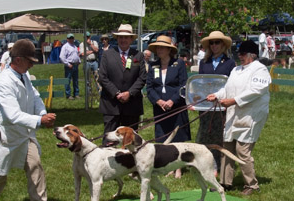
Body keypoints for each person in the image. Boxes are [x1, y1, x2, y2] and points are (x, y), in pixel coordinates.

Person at [0, 39, 56, 201]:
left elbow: (35, 96)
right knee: (1, 171)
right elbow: (12, 115)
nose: (32, 65)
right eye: (30, 61)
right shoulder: (5, 81)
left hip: (24, 131)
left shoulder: (24, 75)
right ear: (19, 59)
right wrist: (40, 121)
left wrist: (42, 112)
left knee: (35, 164)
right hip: (7, 133)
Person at [206, 39, 271, 195]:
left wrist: (234, 101)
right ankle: (225, 182)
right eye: (239, 54)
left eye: (243, 54)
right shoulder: (236, 70)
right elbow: (227, 88)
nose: (240, 56)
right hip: (234, 112)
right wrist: (217, 95)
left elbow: (256, 90)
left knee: (242, 150)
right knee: (227, 148)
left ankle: (251, 184)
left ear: (253, 55)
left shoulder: (260, 70)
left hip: (251, 114)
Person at [146, 35, 191, 178]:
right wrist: (158, 101)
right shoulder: (153, 65)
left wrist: (172, 100)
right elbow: (149, 87)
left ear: (169, 49)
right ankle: (167, 166)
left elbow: (184, 85)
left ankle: (178, 167)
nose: (159, 50)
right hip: (160, 107)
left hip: (176, 105)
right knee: (162, 136)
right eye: (157, 47)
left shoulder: (179, 64)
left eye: (162, 47)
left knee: (177, 136)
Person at [197, 31, 236, 177]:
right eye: (211, 43)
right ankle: (205, 164)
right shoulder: (204, 62)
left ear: (223, 45)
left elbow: (231, 85)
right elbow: (200, 83)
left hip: (221, 104)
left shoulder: (230, 63)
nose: (214, 46)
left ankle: (218, 166)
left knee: (219, 135)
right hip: (206, 104)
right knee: (205, 134)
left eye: (217, 42)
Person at [98, 24, 146, 139]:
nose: (123, 40)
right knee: (109, 140)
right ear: (117, 38)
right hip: (111, 104)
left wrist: (129, 93)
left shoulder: (138, 55)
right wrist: (116, 93)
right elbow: (102, 77)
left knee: (131, 141)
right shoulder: (107, 54)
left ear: (131, 39)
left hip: (132, 105)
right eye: (121, 37)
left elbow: (142, 77)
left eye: (126, 37)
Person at [60, 34, 80, 100]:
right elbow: (62, 57)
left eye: (72, 38)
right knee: (68, 80)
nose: (71, 39)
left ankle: (76, 94)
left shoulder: (74, 46)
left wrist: (79, 61)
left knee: (76, 81)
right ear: (67, 39)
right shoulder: (65, 46)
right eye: (70, 38)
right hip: (69, 66)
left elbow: (77, 54)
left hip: (75, 65)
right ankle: (68, 95)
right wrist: (67, 64)